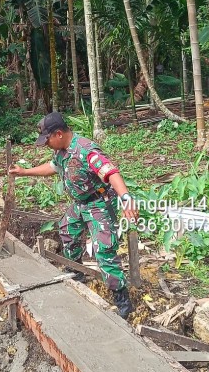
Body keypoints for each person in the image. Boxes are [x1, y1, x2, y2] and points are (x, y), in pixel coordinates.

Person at [9, 112, 138, 319]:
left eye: (47, 140)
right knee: (67, 230)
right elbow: (52, 167)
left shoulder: (86, 150)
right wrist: (25, 172)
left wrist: (126, 199)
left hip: (99, 204)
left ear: (58, 134)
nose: (46, 145)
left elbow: (111, 172)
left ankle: (122, 301)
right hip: (80, 204)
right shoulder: (61, 152)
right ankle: (77, 273)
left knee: (103, 249)